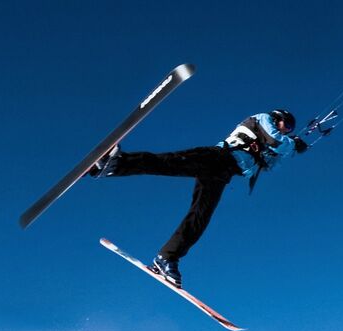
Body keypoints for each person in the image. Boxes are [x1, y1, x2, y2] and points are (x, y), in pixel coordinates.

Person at [87, 108, 310, 288]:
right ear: (279, 118)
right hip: (217, 157)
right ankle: (116, 164)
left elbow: (272, 161)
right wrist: (291, 144)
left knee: (200, 217)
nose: (287, 130)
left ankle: (167, 258)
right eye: (287, 125)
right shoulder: (263, 119)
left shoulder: (267, 147)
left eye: (290, 129)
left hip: (223, 173)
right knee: (169, 162)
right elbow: (275, 139)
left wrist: (292, 148)